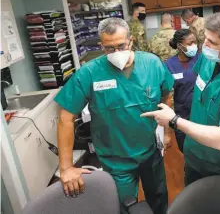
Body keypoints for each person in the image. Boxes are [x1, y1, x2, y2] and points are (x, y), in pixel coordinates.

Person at [55, 18, 174, 214]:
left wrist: (167, 132)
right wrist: (66, 168)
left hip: (150, 151)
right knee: (123, 206)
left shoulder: (152, 64)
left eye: (121, 46)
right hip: (116, 159)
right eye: (109, 48)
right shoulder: (89, 73)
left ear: (131, 40)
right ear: (102, 46)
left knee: (159, 198)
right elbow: (65, 118)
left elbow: (165, 98)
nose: (116, 53)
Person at [142, 10, 220, 186]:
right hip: (195, 155)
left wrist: (174, 120)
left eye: (212, 42)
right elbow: (202, 91)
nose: (204, 45)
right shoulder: (208, 58)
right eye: (205, 38)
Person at [165, 29, 199, 152]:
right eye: (190, 43)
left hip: (201, 115)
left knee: (203, 150)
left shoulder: (200, 60)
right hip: (182, 116)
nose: (194, 46)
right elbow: (167, 97)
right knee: (185, 149)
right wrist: (167, 132)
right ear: (180, 46)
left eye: (195, 42)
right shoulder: (169, 65)